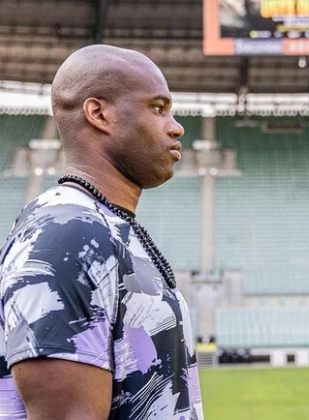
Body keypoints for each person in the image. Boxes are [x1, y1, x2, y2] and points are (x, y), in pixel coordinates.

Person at [0, 44, 203, 419]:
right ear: (99, 114)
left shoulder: (101, 226)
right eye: (157, 108)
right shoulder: (68, 236)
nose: (176, 127)